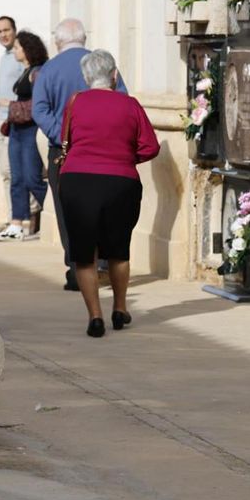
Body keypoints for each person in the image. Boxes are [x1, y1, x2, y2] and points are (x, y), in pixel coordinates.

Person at [57, 50, 158, 336]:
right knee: (118, 251)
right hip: (119, 182)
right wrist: (125, 158)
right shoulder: (130, 105)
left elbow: (66, 139)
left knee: (84, 255)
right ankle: (120, 308)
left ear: (87, 78)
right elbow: (150, 146)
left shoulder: (75, 102)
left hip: (77, 180)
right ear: (114, 75)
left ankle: (95, 316)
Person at [32, 18, 127, 291]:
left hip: (63, 154)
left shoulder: (48, 70)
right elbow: (122, 98)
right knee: (105, 208)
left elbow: (39, 110)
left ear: (58, 41)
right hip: (105, 150)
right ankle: (103, 265)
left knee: (68, 212)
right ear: (84, 39)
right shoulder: (103, 65)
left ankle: (77, 269)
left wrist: (62, 136)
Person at [0, 29, 48, 242]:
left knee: (32, 178)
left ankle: (55, 213)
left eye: (17, 47)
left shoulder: (38, 72)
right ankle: (17, 223)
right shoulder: (25, 71)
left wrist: (11, 104)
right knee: (16, 177)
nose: (14, 51)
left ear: (27, 50)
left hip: (31, 130)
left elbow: (39, 103)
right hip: (17, 129)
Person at [0, 16, 24, 233]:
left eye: (6, 30)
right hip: (0, 119)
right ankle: (12, 216)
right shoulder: (4, 57)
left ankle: (21, 217)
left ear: (14, 30)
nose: (3, 35)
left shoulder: (20, 55)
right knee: (4, 171)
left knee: (14, 171)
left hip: (14, 119)